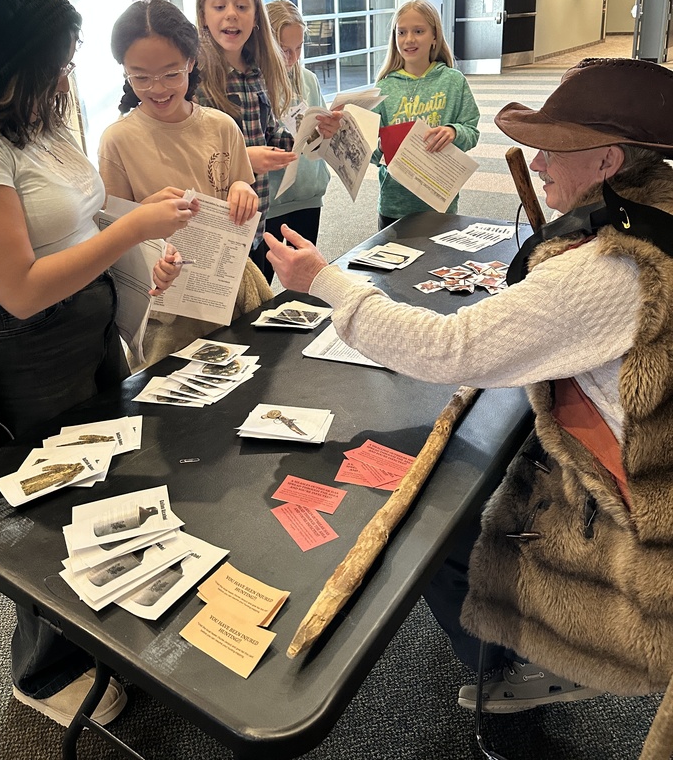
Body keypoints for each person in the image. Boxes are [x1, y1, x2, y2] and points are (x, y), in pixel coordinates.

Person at [265, 57, 673, 746]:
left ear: (607, 160)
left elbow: (446, 349)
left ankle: (507, 674)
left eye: (557, 147)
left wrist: (327, 282)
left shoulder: (610, 271)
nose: (537, 161)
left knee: (441, 521)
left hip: (648, 526)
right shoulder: (658, 208)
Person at [0, 0, 196, 728]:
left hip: (88, 326)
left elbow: (83, 212)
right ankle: (42, 671)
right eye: (54, 64)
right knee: (49, 504)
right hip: (26, 351)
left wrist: (142, 218)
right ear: (4, 62)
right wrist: (135, 231)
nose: (65, 78)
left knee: (104, 476)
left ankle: (94, 630)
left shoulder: (33, 122)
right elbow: (22, 287)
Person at [98, 0, 272, 368]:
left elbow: (240, 186)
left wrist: (243, 191)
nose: (157, 88)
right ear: (124, 71)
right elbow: (113, 235)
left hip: (228, 288)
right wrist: (145, 215)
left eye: (171, 73)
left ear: (191, 64)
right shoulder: (118, 140)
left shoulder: (221, 126)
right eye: (140, 76)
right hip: (167, 302)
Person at [192, 0, 298, 277]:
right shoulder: (193, 78)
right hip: (215, 226)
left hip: (255, 222)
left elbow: (270, 134)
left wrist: (309, 133)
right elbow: (188, 157)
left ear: (255, 17)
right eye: (219, 5)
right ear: (203, 15)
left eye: (241, 6)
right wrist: (244, 160)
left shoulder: (258, 72)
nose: (231, 14)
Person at [372, 0, 480, 229]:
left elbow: (472, 131)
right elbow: (370, 153)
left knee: (438, 263)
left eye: (418, 31)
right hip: (394, 204)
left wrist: (454, 131)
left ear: (434, 36)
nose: (409, 39)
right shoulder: (384, 87)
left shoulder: (452, 81)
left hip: (439, 202)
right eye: (402, 32)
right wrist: (380, 148)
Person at [263, 0, 331, 285]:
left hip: (307, 195)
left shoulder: (309, 80)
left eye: (299, 48)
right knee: (260, 289)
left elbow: (320, 137)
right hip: (268, 203)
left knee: (302, 287)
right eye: (284, 49)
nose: (292, 58)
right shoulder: (255, 84)